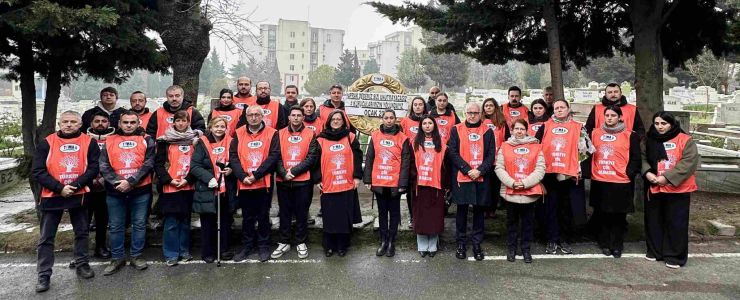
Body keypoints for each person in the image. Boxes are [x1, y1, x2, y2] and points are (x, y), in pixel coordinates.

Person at [32, 111, 99, 293]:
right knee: (46, 238)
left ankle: (82, 264)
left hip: (79, 194)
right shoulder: (47, 142)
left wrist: (75, 185)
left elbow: (94, 168)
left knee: (82, 233)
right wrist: (59, 188)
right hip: (52, 196)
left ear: (80, 124)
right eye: (65, 121)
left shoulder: (89, 142)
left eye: (73, 122)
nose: (68, 125)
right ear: (59, 123)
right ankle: (44, 274)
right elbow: (38, 171)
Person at [535, 99, 595, 255]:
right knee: (550, 208)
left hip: (569, 176)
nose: (559, 110)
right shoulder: (546, 126)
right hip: (550, 175)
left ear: (569, 109)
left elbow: (587, 151)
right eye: (556, 108)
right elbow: (535, 147)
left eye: (562, 107)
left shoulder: (578, 127)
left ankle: (565, 239)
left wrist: (577, 168)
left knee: (566, 209)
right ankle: (552, 239)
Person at [99, 111, 156, 274]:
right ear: (119, 124)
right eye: (125, 122)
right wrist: (118, 182)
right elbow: (103, 165)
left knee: (139, 224)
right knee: (116, 226)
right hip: (115, 191)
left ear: (138, 123)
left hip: (140, 190)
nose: (129, 125)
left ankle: (136, 256)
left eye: (132, 122)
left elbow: (149, 163)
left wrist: (131, 182)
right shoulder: (109, 140)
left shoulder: (147, 140)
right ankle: (117, 258)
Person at [642, 111, 699, 269]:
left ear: (672, 124)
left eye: (664, 124)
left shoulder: (685, 140)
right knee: (654, 220)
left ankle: (674, 255)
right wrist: (647, 172)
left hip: (677, 188)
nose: (659, 127)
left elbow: (688, 162)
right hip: (654, 185)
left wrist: (666, 178)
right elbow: (642, 157)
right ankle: (655, 251)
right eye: (657, 123)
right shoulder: (649, 138)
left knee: (676, 222)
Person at [230, 105, 281, 262]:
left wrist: (257, 175)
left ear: (262, 116)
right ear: (246, 116)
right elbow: (233, 156)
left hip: (263, 183)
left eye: (256, 114)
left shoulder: (272, 133)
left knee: (263, 216)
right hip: (244, 183)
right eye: (250, 115)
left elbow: (274, 156)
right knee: (247, 217)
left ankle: (263, 245)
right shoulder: (238, 133)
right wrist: (242, 175)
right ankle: (247, 246)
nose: (253, 117)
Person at [589, 106, 641, 258]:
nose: (609, 118)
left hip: (621, 182)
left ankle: (617, 245)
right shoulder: (595, 133)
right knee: (602, 214)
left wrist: (629, 173)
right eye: (607, 115)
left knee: (619, 216)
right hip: (600, 179)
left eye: (613, 115)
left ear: (620, 117)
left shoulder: (630, 135)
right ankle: (604, 243)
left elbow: (636, 158)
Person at [447, 102, 496, 261]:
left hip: (481, 177)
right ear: (465, 113)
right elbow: (452, 152)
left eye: (475, 112)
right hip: (463, 176)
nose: (472, 115)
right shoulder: (456, 129)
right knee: (461, 211)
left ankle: (476, 243)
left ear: (480, 113)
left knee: (479, 211)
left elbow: (491, 155)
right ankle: (461, 243)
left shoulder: (488, 131)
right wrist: (467, 169)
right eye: (469, 112)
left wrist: (480, 171)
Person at [312, 110, 363, 257]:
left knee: (344, 216)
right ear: (328, 121)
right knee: (330, 216)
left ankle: (343, 245)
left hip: (346, 183)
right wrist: (318, 179)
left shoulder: (350, 137)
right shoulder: (320, 139)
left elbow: (358, 158)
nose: (336, 121)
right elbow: (314, 161)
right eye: (333, 119)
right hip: (328, 184)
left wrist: (357, 177)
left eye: (339, 119)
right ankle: (329, 245)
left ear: (343, 121)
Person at [495, 119, 546, 264]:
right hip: (511, 192)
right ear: (511, 130)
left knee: (528, 224)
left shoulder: (536, 147)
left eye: (522, 129)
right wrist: (511, 183)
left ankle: (526, 249)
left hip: (529, 192)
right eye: (516, 128)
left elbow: (540, 168)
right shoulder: (505, 146)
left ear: (526, 130)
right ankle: (511, 249)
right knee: (511, 223)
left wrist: (524, 183)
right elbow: (499, 167)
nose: (519, 131)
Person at [154, 110, 200, 266]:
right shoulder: (164, 141)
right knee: (171, 221)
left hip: (188, 185)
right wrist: (169, 180)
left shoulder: (195, 140)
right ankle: (171, 253)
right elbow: (159, 164)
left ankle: (184, 250)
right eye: (178, 121)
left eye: (184, 120)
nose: (181, 123)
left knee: (185, 220)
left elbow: (198, 164)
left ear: (188, 122)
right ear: (173, 122)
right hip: (171, 186)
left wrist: (187, 180)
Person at [273, 106, 319, 259]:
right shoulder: (279, 133)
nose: (296, 118)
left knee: (301, 213)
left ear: (303, 118)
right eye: (293, 115)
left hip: (303, 181)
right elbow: (276, 155)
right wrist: (283, 173)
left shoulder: (311, 134)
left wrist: (294, 171)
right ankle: (284, 241)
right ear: (289, 117)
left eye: (299, 115)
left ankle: (300, 241)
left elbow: (312, 157)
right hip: (283, 180)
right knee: (284, 212)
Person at [364, 109, 411, 258]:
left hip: (395, 182)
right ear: (382, 119)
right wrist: (367, 180)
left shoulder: (403, 138)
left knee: (395, 213)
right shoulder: (375, 136)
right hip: (379, 181)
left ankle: (392, 241)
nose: (389, 120)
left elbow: (405, 162)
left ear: (395, 120)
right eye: (386, 118)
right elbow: (369, 158)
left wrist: (403, 183)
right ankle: (383, 241)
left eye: (391, 118)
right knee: (382, 213)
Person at [189, 116, 235, 263]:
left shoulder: (231, 141)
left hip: (226, 187)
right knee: (208, 221)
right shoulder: (202, 143)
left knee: (225, 220)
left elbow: (237, 160)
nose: (219, 129)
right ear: (210, 127)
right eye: (217, 126)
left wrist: (231, 169)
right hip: (207, 187)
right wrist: (209, 178)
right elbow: (195, 166)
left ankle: (223, 249)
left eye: (222, 126)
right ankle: (208, 251)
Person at [411, 115, 448, 258]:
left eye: (430, 123)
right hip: (419, 185)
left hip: (436, 185)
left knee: (434, 216)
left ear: (434, 125)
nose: (427, 125)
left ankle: (433, 244)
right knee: (421, 216)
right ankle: (421, 245)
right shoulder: (414, 142)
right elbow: (410, 163)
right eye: (424, 123)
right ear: (421, 126)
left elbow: (446, 165)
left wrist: (446, 184)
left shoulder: (442, 143)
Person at [85, 111, 115, 260]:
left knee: (102, 220)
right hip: (86, 187)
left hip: (106, 187)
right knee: (82, 222)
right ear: (91, 124)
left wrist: (107, 178)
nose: (100, 124)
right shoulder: (83, 139)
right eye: (97, 121)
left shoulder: (114, 139)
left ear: (109, 123)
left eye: (104, 121)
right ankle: (80, 253)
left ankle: (101, 247)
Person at [481, 97, 510, 219]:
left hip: (497, 159)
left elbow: (507, 139)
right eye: (486, 106)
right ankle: (483, 208)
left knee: (494, 186)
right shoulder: (479, 121)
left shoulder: (502, 122)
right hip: (482, 159)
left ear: (495, 107)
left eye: (490, 106)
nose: (488, 108)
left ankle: (492, 209)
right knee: (484, 186)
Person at [399, 96, 426, 226]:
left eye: (420, 104)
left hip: (425, 159)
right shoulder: (405, 121)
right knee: (411, 190)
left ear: (424, 106)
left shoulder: (427, 121)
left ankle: (422, 216)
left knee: (423, 189)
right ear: (412, 106)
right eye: (415, 104)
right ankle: (412, 216)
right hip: (410, 160)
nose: (418, 107)